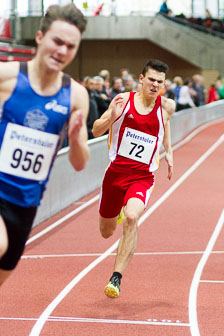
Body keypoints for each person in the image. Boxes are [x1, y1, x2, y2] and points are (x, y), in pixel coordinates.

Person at [0, 3, 89, 287]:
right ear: (40, 37)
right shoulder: (7, 77)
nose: (63, 51)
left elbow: (79, 162)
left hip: (26, 203)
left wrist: (75, 139)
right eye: (57, 41)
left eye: (71, 47)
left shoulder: (76, 95)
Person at [92, 59, 175, 298]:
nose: (155, 85)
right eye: (151, 80)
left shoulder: (167, 106)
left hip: (142, 177)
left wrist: (168, 150)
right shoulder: (122, 101)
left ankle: (116, 278)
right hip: (115, 175)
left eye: (160, 82)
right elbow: (96, 130)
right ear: (141, 78)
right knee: (106, 232)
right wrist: (111, 118)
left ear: (164, 84)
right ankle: (117, 210)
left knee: (131, 217)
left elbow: (165, 124)